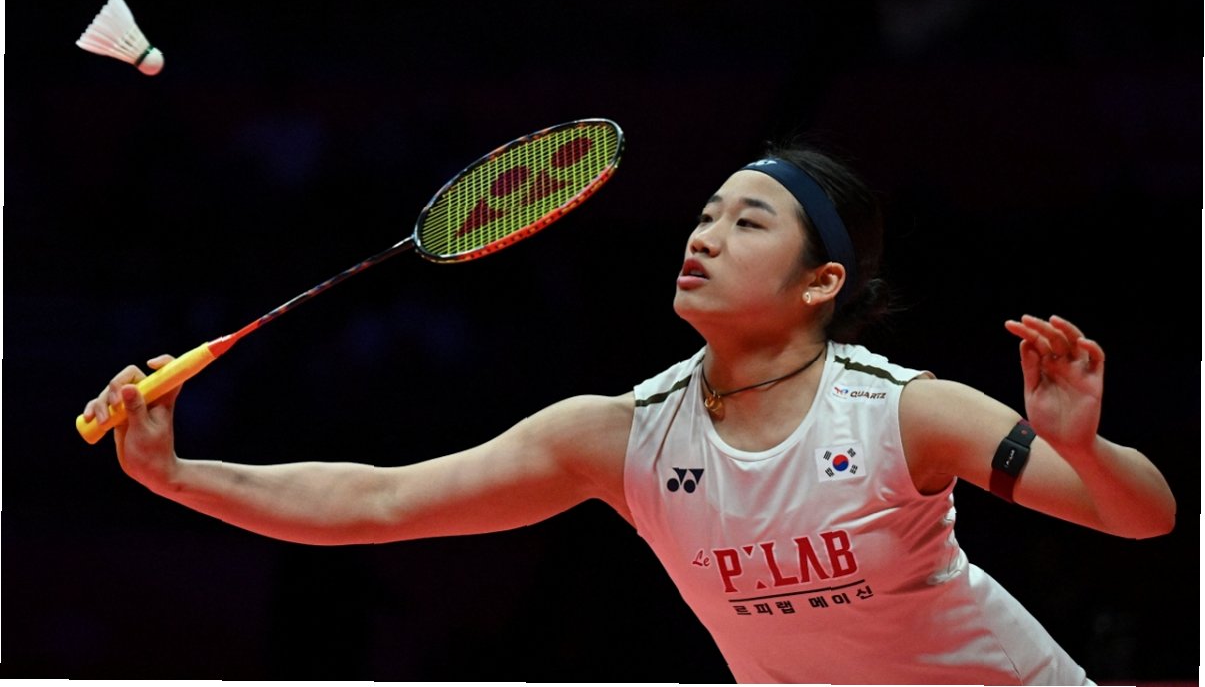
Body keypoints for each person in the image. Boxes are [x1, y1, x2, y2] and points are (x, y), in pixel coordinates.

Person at [82, 138, 1176, 685]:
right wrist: (175, 475)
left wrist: (1080, 445)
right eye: (704, 215)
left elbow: (1142, 518)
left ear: (820, 282)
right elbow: (378, 502)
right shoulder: (617, 437)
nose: (703, 235)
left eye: (747, 223)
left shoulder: (906, 415)